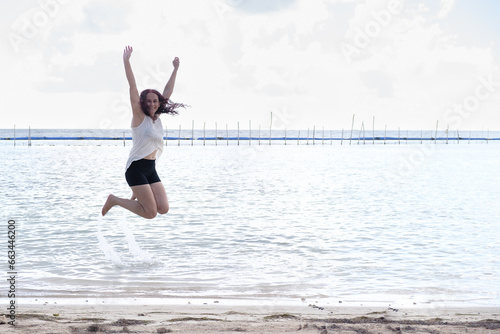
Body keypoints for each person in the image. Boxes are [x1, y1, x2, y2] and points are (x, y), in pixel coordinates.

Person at [102, 46, 186, 218]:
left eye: (155, 101)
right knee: (150, 213)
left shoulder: (157, 116)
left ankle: (137, 193)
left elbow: (168, 91)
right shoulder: (139, 118)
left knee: (163, 208)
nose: (152, 104)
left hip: (150, 168)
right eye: (148, 102)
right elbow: (132, 87)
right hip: (135, 169)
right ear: (143, 103)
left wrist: (175, 69)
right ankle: (114, 200)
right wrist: (126, 61)